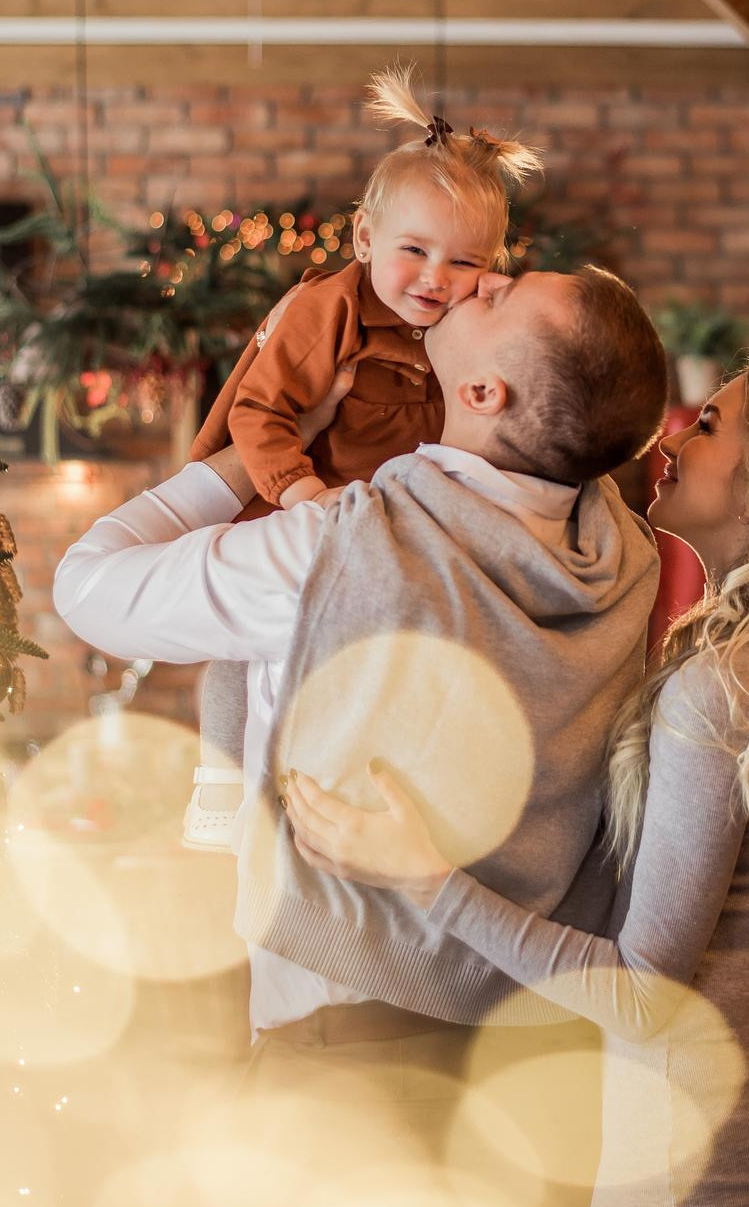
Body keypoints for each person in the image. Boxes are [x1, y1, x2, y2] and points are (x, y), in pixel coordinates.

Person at [282, 353, 749, 1207]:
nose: (674, 438)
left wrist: (424, 876)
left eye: (709, 426)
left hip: (694, 1155)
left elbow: (648, 995)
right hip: (732, 1120)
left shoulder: (722, 691)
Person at [53, 260, 668, 1207]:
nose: (481, 278)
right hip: (541, 1059)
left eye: (501, 295)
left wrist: (250, 456)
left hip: (353, 1066)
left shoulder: (339, 549)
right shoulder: (625, 558)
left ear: (484, 394)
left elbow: (87, 586)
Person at [183, 64, 542, 850]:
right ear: (366, 238)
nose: (436, 278)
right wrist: (300, 492)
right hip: (296, 503)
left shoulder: (462, 325)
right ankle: (220, 785)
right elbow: (258, 410)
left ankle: (341, 786)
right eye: (415, 249)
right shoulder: (329, 310)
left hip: (377, 523)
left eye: (466, 262)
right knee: (250, 649)